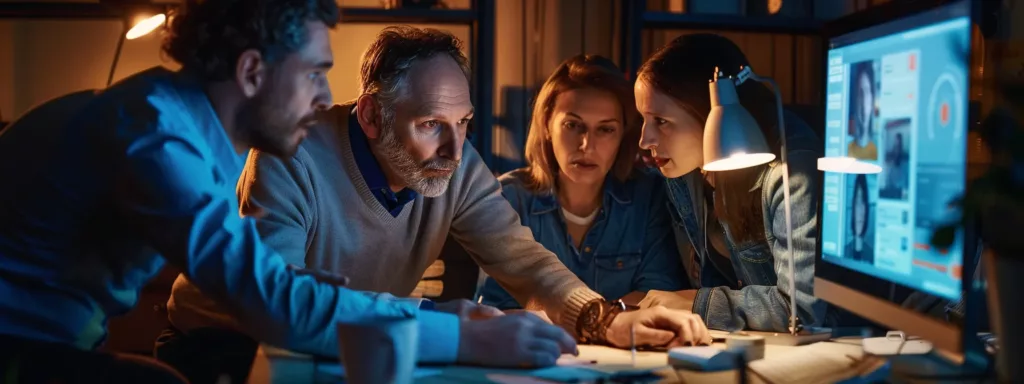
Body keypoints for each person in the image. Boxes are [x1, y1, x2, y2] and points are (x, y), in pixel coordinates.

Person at [0, 2, 572, 383]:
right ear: (252, 72)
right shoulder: (157, 141)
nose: (325, 95)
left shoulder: (176, 126)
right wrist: (465, 336)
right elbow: (271, 301)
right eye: (314, 72)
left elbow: (274, 286)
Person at [159, 26, 711, 382]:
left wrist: (603, 318)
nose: (455, 149)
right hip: (225, 347)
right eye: (430, 125)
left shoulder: (454, 162)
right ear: (373, 116)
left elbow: (521, 258)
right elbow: (283, 308)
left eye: (464, 122)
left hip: (357, 347)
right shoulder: (289, 154)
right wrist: (448, 322)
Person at [633, 33, 828, 332]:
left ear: (710, 111)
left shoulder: (790, 172)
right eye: (643, 119)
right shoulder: (684, 170)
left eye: (660, 121)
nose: (645, 140)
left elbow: (802, 311)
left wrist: (697, 304)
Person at [478, 55, 686, 309]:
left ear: (623, 133)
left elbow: (657, 295)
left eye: (605, 129)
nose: (586, 145)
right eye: (573, 125)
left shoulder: (649, 196)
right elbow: (499, 307)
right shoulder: (510, 199)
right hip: (538, 347)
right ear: (546, 125)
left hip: (630, 347)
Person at [848, 61, 878, 160]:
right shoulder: (847, 148)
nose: (863, 99)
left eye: (866, 91)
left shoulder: (876, 150)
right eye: (860, 92)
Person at [845, 174, 874, 263]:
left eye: (863, 203)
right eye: (857, 202)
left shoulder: (872, 257)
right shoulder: (843, 254)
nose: (860, 212)